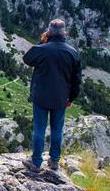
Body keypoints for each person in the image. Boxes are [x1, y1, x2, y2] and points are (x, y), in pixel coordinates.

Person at [22, 19, 82, 173]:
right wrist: (71, 98)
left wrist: (42, 41)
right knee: (57, 129)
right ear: (65, 33)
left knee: (39, 129)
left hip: (41, 96)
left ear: (48, 32)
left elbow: (27, 59)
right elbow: (77, 79)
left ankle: (36, 163)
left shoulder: (42, 48)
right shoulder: (72, 52)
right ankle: (54, 161)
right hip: (61, 98)